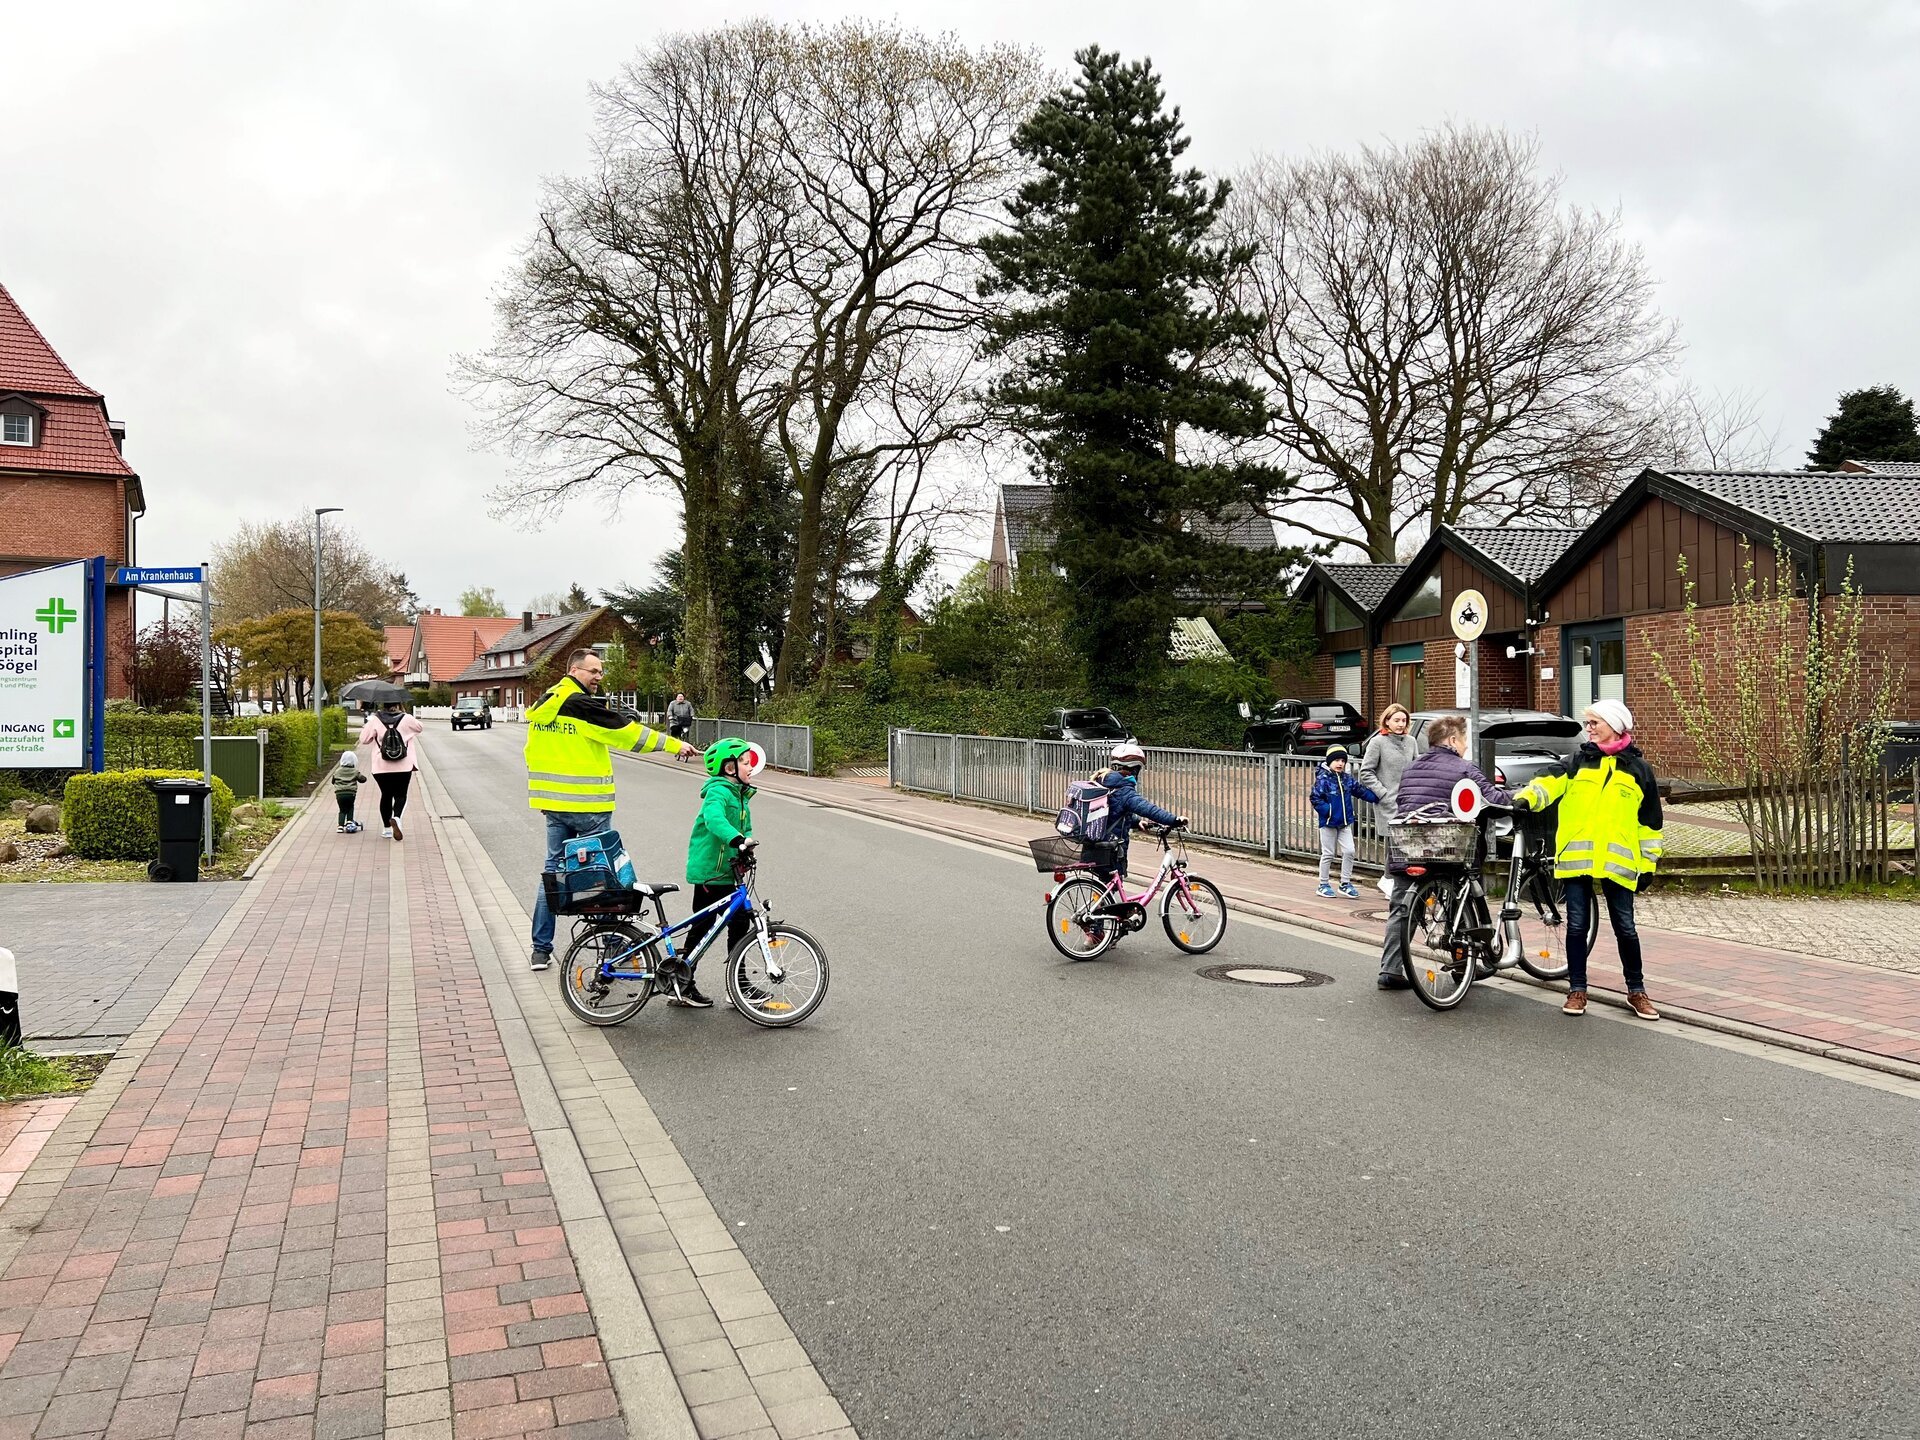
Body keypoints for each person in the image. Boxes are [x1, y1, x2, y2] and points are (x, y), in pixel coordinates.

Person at [526, 648, 696, 972]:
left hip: (554, 807)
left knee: (553, 874)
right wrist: (675, 745)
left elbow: (533, 752)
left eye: (600, 671)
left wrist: (547, 797)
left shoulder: (544, 704)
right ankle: (614, 944)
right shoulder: (580, 706)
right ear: (575, 671)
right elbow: (628, 734)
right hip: (589, 806)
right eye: (594, 671)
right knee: (602, 874)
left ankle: (540, 950)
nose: (599, 677)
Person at [1513, 698, 1664, 1020]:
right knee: (1577, 926)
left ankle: (1636, 991)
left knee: (1626, 928)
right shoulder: (1577, 762)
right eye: (1589, 722)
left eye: (1595, 722)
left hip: (1619, 863)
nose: (1589, 728)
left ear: (1615, 726)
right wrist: (1525, 798)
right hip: (1577, 860)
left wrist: (1648, 864)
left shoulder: (1639, 770)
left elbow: (1650, 825)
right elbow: (1546, 784)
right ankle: (1577, 990)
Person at [1377, 714, 1511, 989]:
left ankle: (1390, 970)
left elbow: (1404, 800)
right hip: (1448, 850)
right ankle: (1464, 967)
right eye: (1463, 740)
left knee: (1402, 909)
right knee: (1458, 905)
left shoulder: (1412, 768)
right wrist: (1520, 797)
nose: (1464, 746)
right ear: (1452, 740)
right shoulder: (1464, 768)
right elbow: (1492, 799)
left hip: (1409, 849)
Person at [669, 737, 764, 1009]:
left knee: (739, 923)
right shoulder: (718, 792)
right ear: (729, 768)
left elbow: (745, 829)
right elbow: (714, 820)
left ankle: (738, 985)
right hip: (711, 872)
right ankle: (682, 983)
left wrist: (746, 845)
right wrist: (736, 840)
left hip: (729, 872)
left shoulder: (741, 796)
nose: (750, 767)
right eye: (745, 763)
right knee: (703, 928)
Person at [1084, 742, 1187, 910]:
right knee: (1108, 890)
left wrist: (1136, 822)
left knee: (1107, 889)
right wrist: (1174, 819)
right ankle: (1096, 931)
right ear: (1134, 770)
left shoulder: (1104, 783)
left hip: (1093, 845)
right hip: (1111, 849)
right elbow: (1148, 808)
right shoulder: (1124, 790)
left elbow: (1113, 813)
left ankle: (1098, 929)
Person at [1359, 704, 1421, 897]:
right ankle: (1391, 882)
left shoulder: (1411, 741)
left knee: (1408, 842)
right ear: (1387, 721)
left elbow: (1416, 767)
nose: (1400, 724)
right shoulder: (1378, 742)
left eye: (1403, 720)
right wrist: (1382, 793)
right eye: (1396, 720)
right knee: (1394, 842)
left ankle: (1394, 881)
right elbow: (1366, 772)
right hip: (1389, 801)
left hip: (1409, 801)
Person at [1310, 744, 1380, 899]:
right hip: (1328, 823)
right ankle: (1323, 884)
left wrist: (1378, 797)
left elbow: (1360, 791)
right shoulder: (1323, 779)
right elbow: (1315, 798)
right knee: (1328, 853)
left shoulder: (1347, 779)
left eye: (1343, 760)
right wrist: (1327, 811)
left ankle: (1345, 883)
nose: (1340, 763)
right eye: (1336, 760)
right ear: (1329, 762)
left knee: (1349, 851)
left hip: (1345, 822)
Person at [358, 700, 424, 840]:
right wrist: (405, 714)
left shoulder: (375, 719)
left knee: (386, 795)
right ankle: (397, 818)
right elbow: (419, 728)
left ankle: (387, 829)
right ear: (398, 704)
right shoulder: (406, 718)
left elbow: (363, 739)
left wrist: (370, 726)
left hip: (381, 767)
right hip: (403, 765)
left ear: (383, 705)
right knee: (401, 795)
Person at [330, 751, 367, 833]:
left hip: (339, 793)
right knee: (350, 806)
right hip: (351, 793)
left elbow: (333, 781)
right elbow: (362, 779)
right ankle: (349, 821)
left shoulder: (337, 771)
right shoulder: (354, 771)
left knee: (342, 809)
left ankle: (340, 826)